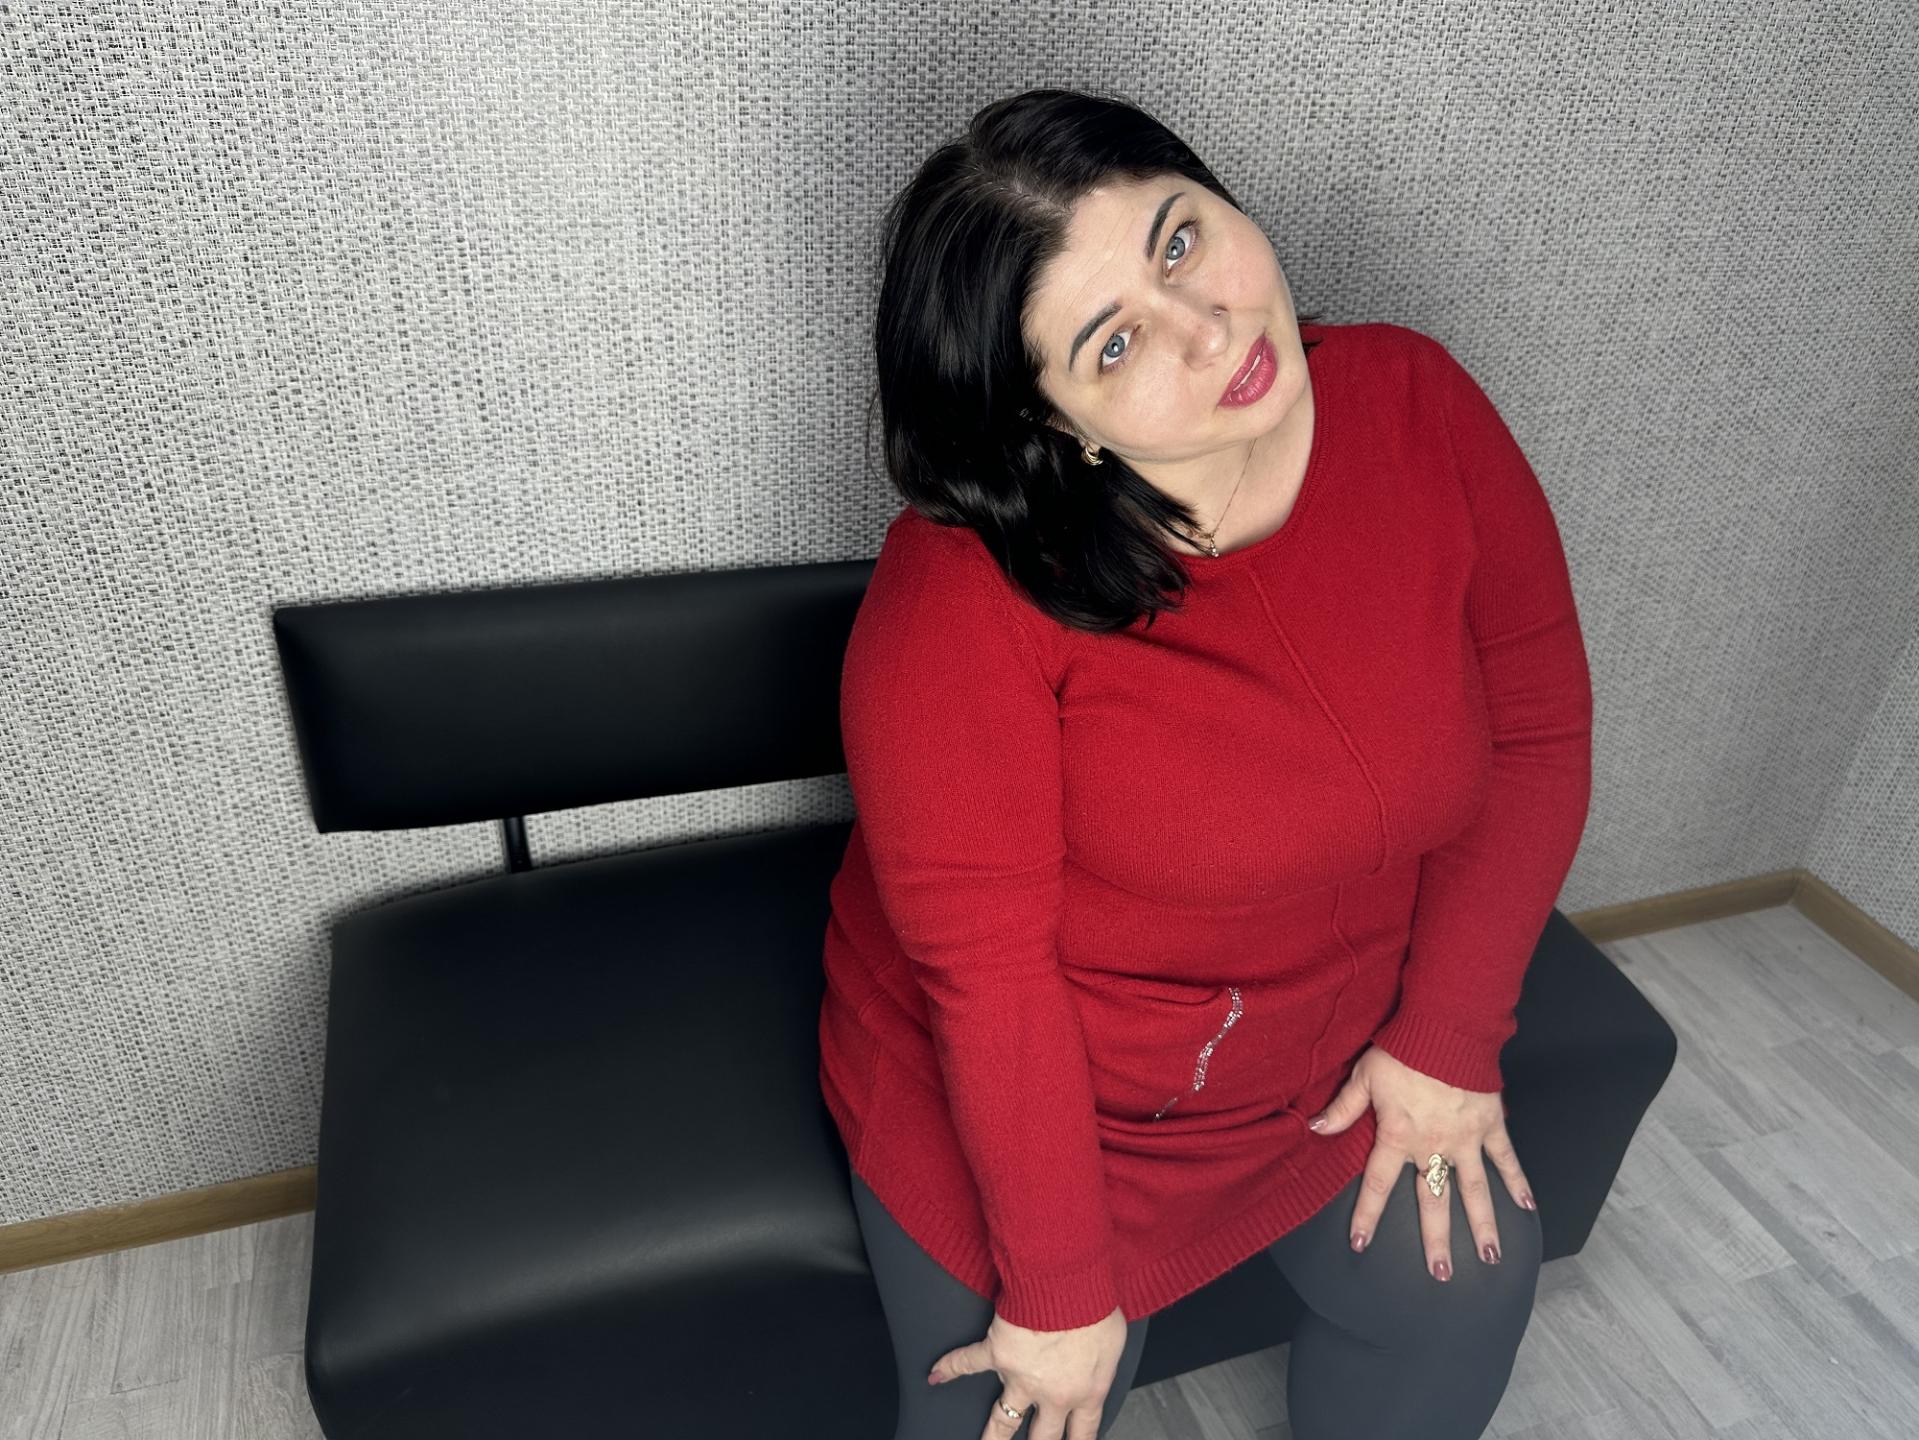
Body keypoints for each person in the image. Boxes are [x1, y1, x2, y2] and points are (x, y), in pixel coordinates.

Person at [818, 86, 1591, 1440]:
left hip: (1320, 1046)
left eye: (1179, 241)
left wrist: (1448, 1037)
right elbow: (990, 974)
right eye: (1114, 343)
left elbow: (1535, 731)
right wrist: (1062, 1292)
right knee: (1018, 1413)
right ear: (1052, 423)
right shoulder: (959, 598)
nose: (1209, 327)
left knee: (1464, 1276)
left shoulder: (1417, 402)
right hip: (1043, 1089)